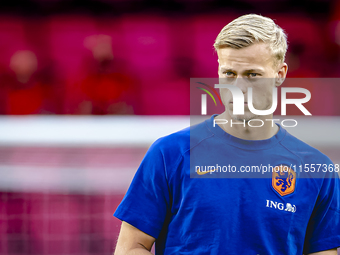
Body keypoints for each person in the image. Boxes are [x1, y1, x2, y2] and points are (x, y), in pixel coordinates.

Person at [113, 14, 340, 254]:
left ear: (280, 74)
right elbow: (131, 247)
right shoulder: (171, 154)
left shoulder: (317, 170)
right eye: (229, 74)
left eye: (253, 75)